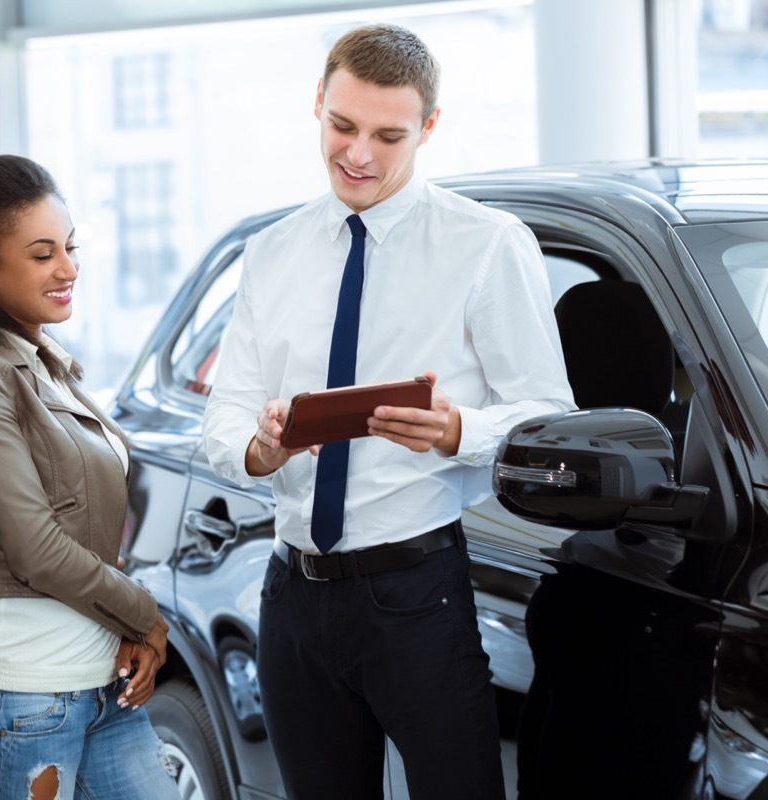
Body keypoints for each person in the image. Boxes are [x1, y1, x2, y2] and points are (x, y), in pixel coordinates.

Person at [202, 23, 576, 799]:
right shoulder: (273, 252)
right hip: (291, 595)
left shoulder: (486, 244)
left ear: (429, 128)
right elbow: (228, 409)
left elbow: (547, 411)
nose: (359, 154)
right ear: (317, 104)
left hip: (414, 594)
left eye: (388, 135)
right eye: (342, 126)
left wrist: (459, 431)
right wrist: (258, 450)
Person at [0, 154, 179, 800]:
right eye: (42, 255)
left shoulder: (44, 364)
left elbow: (92, 528)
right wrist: (144, 614)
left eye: (68, 248)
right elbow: (33, 547)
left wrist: (129, 629)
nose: (68, 269)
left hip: (100, 686)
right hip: (20, 699)